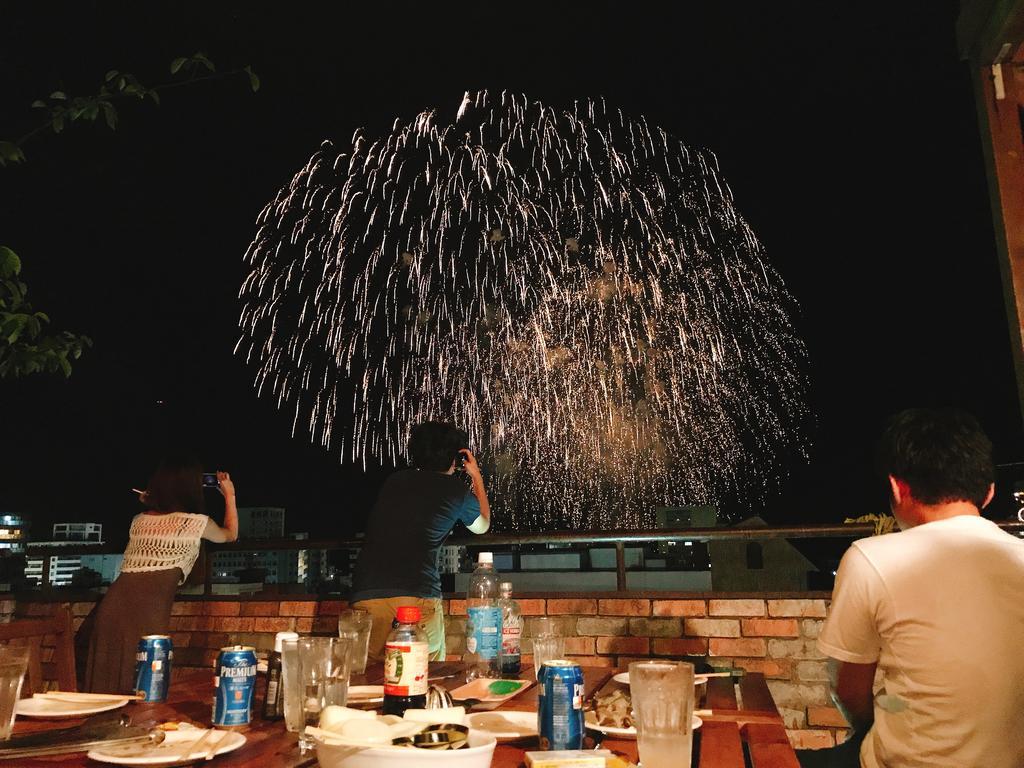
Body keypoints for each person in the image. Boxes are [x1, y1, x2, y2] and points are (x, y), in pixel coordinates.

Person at [800, 408, 1024, 768]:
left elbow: (849, 691)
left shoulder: (872, 558)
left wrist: (870, 730)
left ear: (897, 487)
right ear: (989, 492)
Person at [83, 454, 238, 693]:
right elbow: (230, 534)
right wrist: (229, 495)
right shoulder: (195, 523)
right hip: (149, 613)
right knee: (145, 686)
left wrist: (151, 498)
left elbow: (157, 512)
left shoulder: (139, 521)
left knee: (106, 688)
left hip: (110, 610)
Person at [351, 421, 491, 662]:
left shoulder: (395, 481)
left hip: (366, 594)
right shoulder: (455, 490)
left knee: (370, 681)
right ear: (455, 458)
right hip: (416, 593)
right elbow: (483, 525)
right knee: (424, 676)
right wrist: (476, 476)